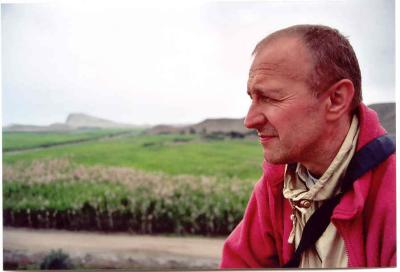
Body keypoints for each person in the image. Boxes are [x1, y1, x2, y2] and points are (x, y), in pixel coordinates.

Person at [220, 24, 396, 268]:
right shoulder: (278, 184)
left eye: (270, 98)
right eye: (253, 98)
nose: (250, 121)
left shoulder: (390, 194)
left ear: (336, 99)